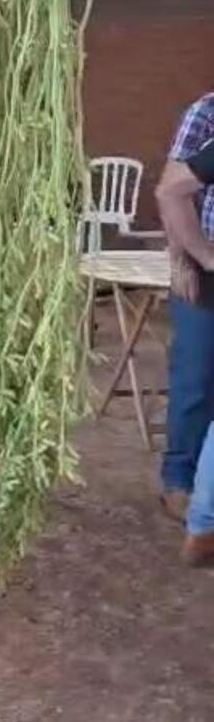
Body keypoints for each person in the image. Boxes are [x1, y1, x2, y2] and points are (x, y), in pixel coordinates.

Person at [156, 134, 214, 564]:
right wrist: (198, 257)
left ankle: (203, 519)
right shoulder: (206, 112)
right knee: (195, 382)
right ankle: (187, 494)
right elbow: (171, 189)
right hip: (204, 279)